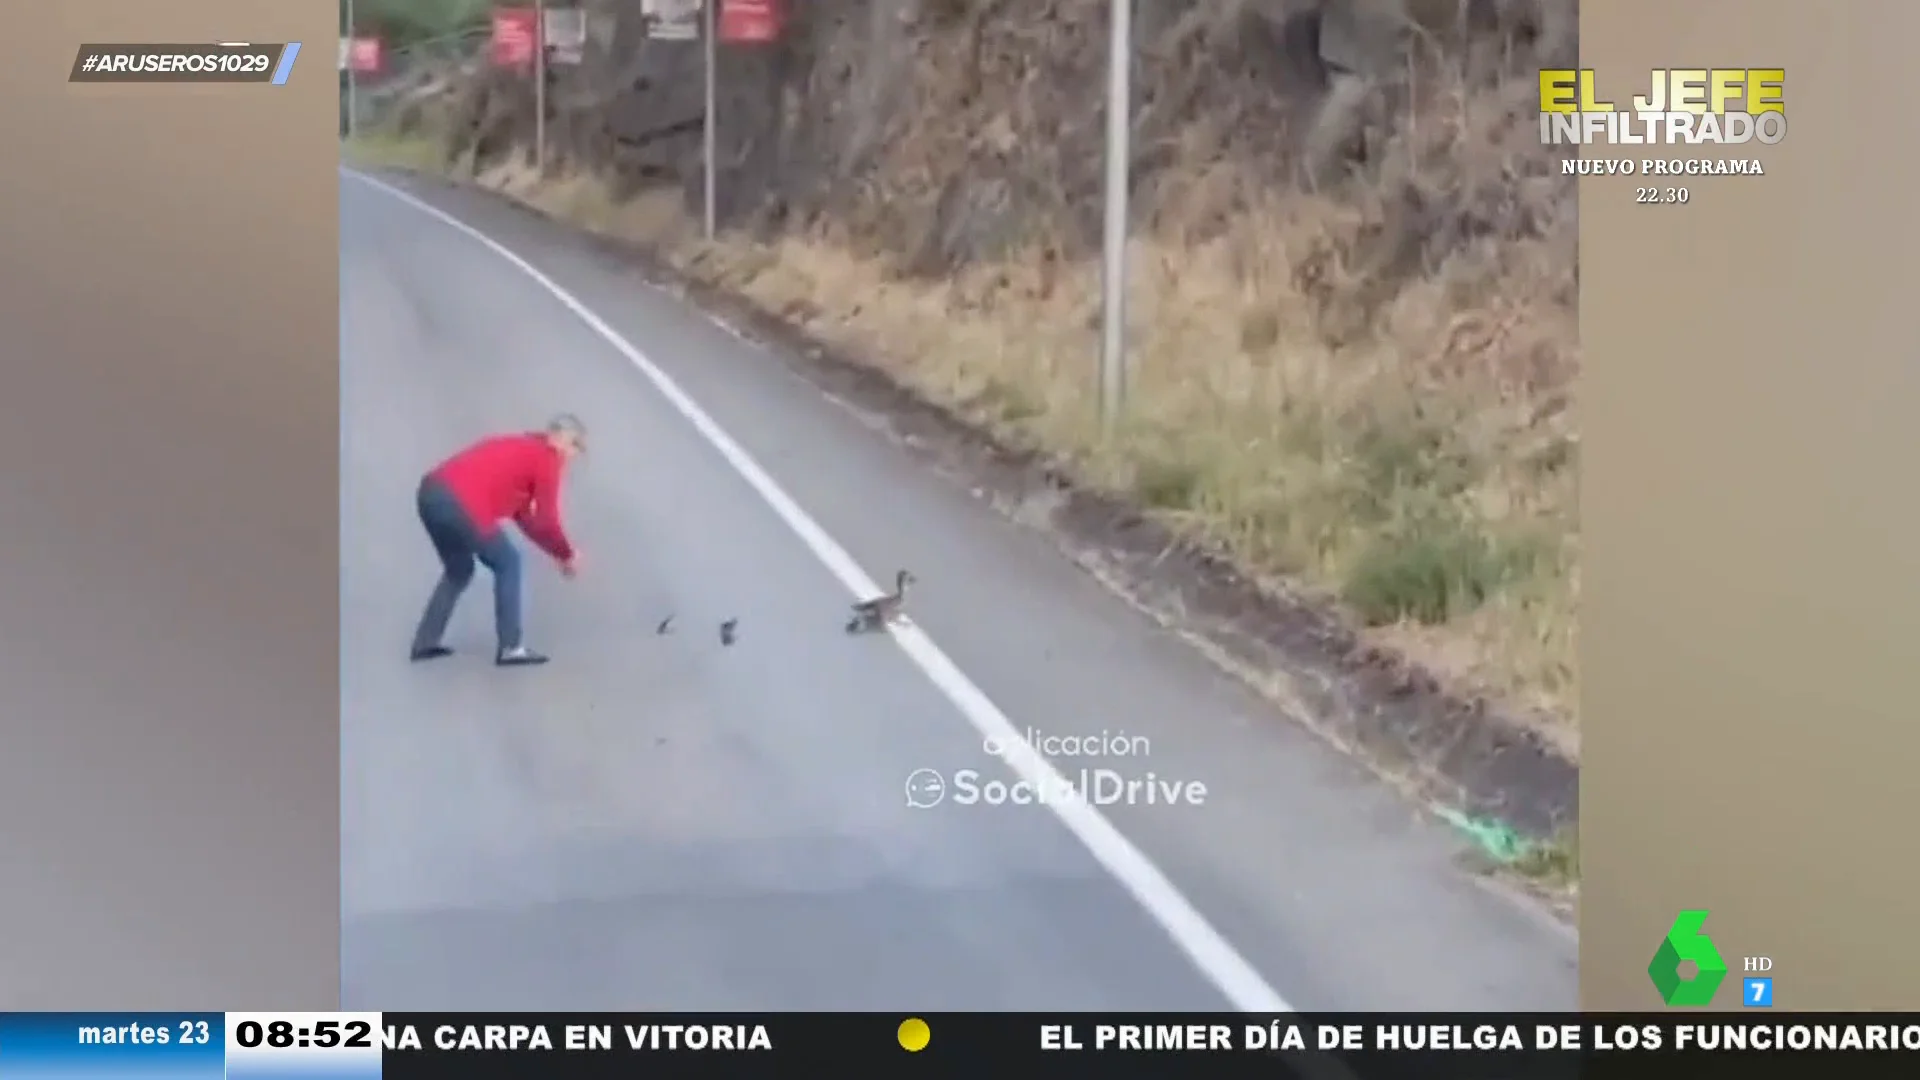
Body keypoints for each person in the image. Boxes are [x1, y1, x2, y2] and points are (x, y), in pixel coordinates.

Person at [409, 414, 585, 666]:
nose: (574, 454)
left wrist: (558, 553)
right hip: (462, 504)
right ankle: (511, 647)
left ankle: (425, 642)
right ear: (561, 439)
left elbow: (528, 521)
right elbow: (547, 520)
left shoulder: (522, 448)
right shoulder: (547, 457)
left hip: (430, 494)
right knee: (509, 562)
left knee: (459, 571)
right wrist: (568, 555)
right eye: (575, 445)